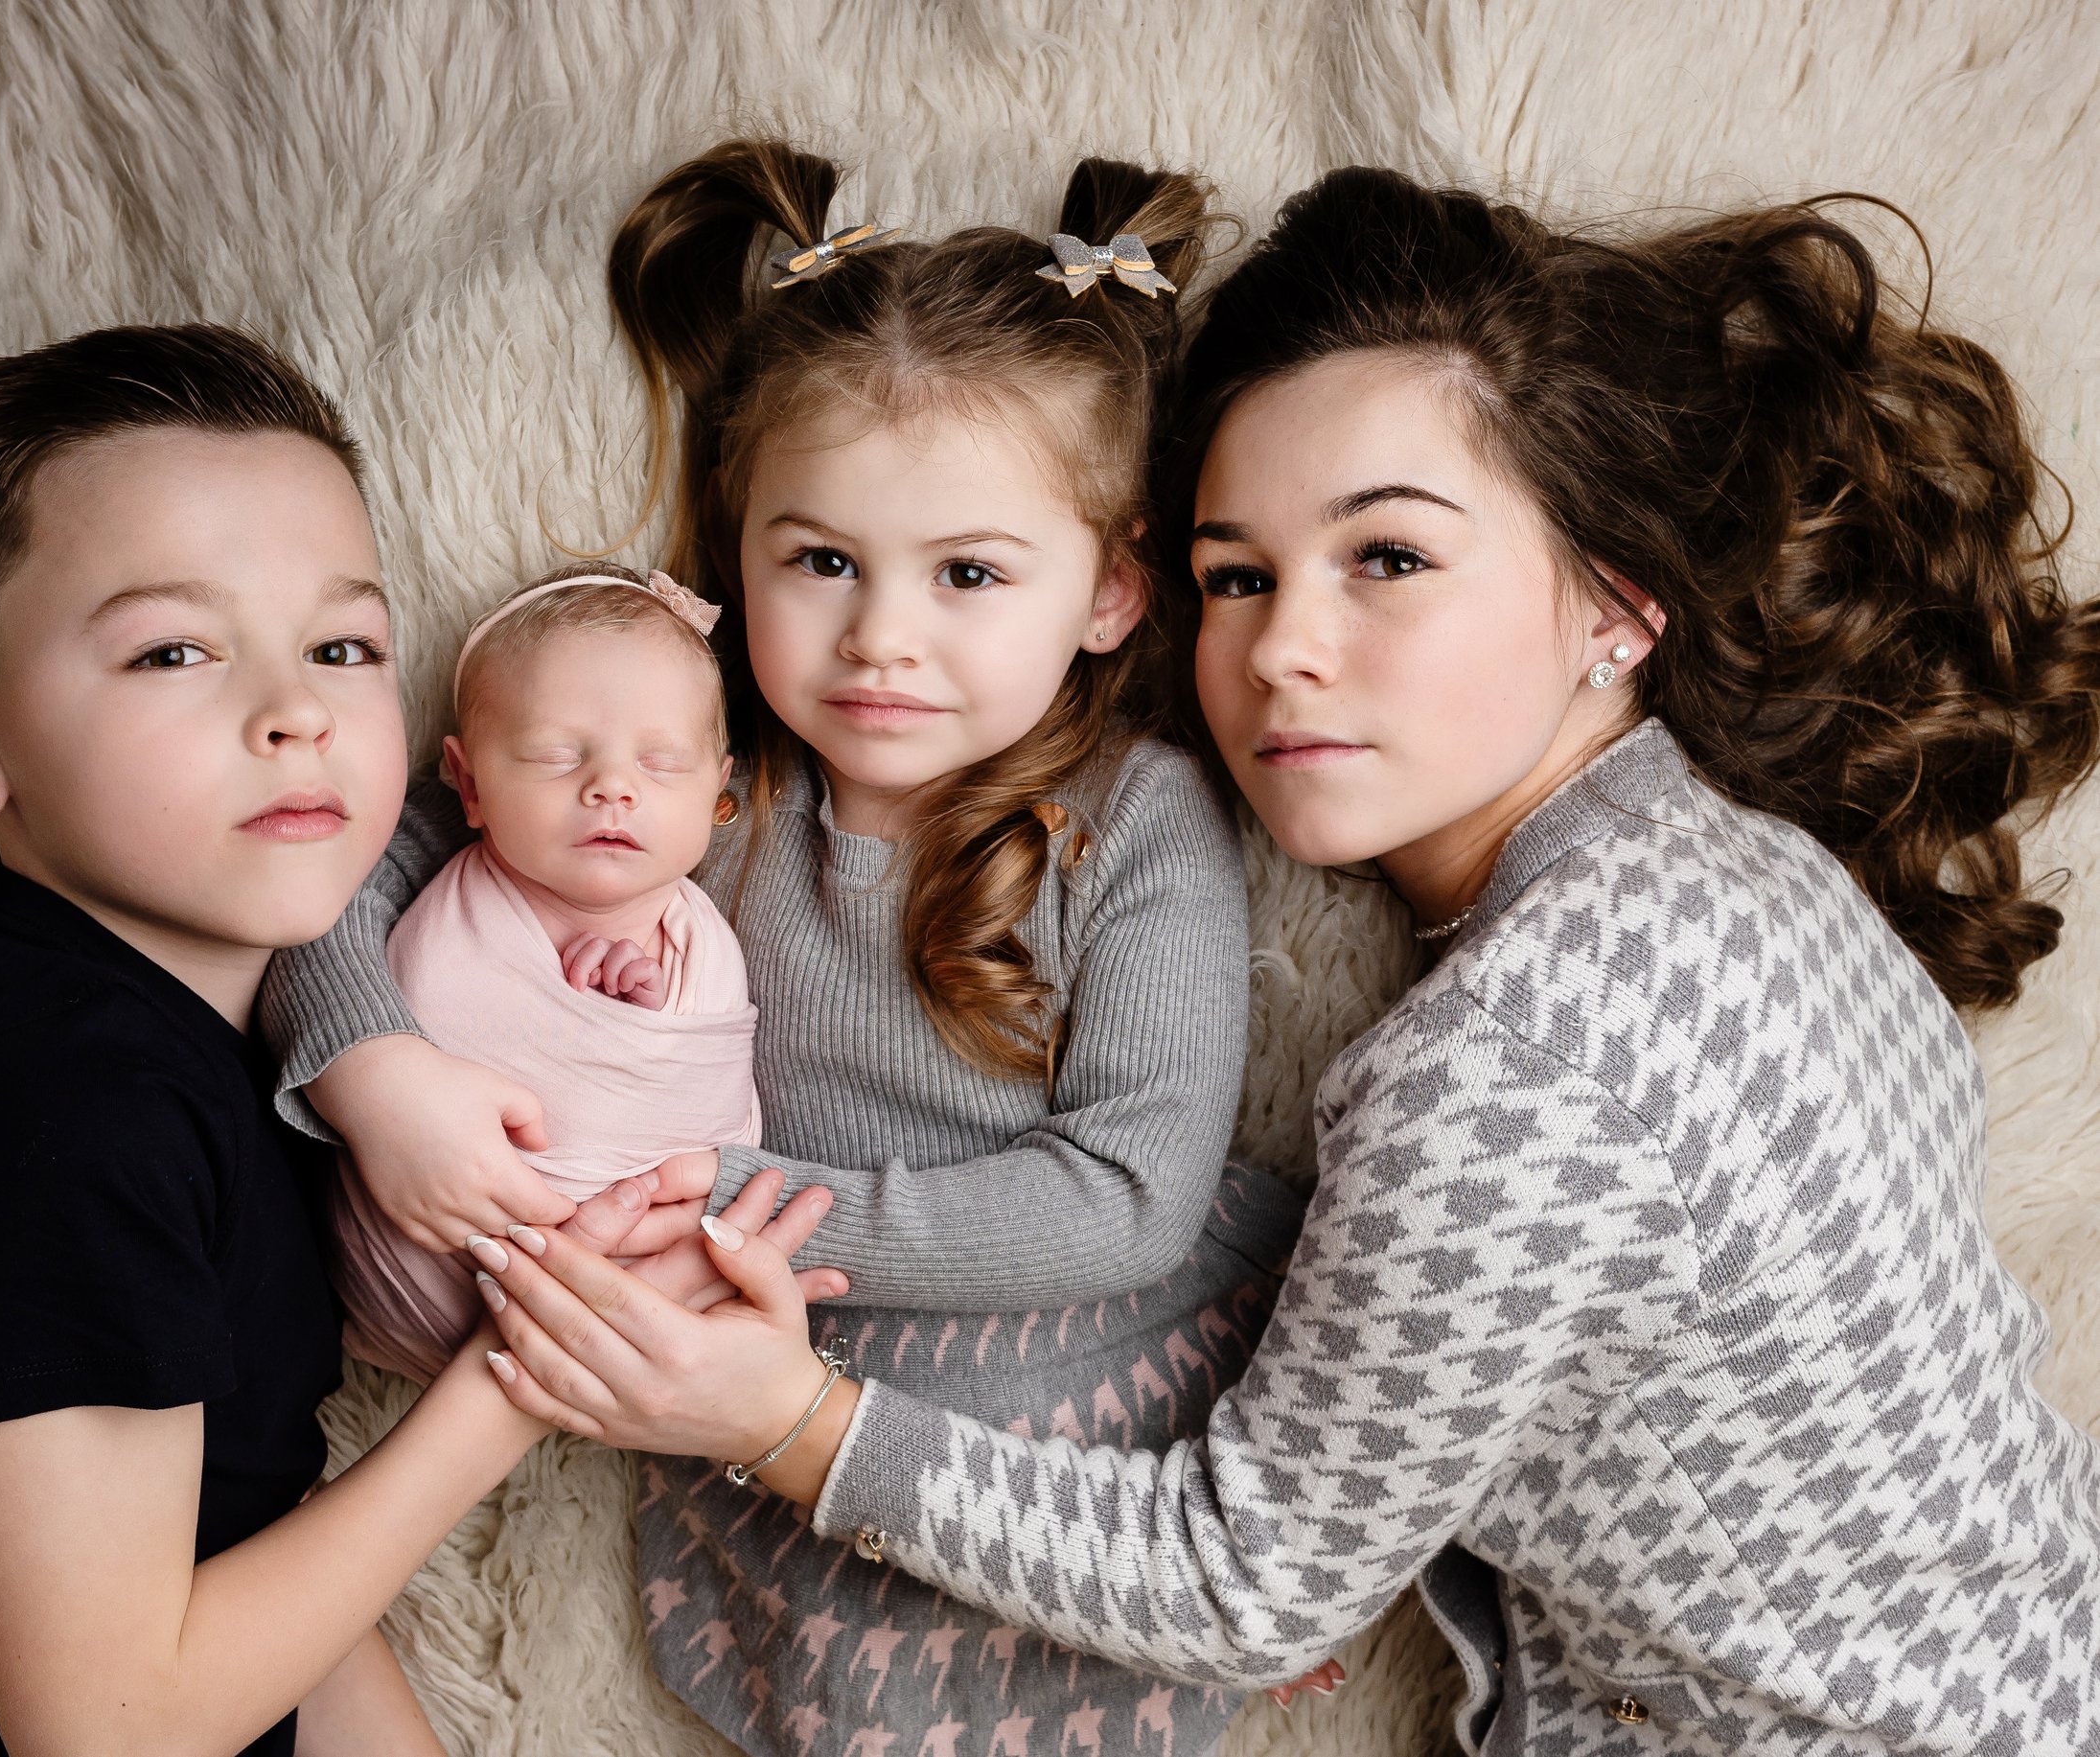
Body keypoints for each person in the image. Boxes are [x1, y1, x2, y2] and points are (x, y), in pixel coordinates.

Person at [464, 169, 2100, 1755]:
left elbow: (1238, 1585)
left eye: (1387, 557)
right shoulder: (1756, 874)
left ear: (1617, 605)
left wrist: (783, 1419)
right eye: (1237, 576)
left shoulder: (1512, 1066)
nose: (1280, 650)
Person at [262, 141, 1327, 1755]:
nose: (881, 635)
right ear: (739, 542)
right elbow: (330, 871)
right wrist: (371, 1067)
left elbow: (1127, 1195)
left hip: (1086, 1378)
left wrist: (727, 1199)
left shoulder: (1135, 819)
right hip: (770, 1400)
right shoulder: (688, 775)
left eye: (969, 574)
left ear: (1110, 592)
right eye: (822, 561)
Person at [0, 324, 837, 1757]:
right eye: (172, 649)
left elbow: (240, 1536)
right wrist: (526, 1370)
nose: (296, 712)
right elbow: (107, 1732)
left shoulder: (199, 1040)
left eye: (341, 646)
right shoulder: (48, 1100)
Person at [329, 563, 763, 1382]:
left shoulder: (706, 945)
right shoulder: (445, 911)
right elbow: (404, 1025)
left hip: (653, 1306)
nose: (613, 787)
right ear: (469, 784)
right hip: (418, 1284)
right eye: (557, 755)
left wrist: (640, 1002)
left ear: (717, 792)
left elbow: (705, 1115)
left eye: (663, 762)